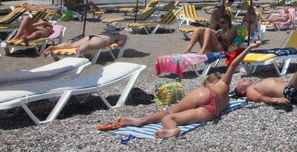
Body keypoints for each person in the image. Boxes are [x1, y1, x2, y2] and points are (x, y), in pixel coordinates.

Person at [110, 41, 262, 138]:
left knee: (169, 114)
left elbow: (234, 64)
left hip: (205, 97)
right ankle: (164, 128)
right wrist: (249, 47)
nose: (243, 81)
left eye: (244, 82)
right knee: (169, 116)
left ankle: (147, 122)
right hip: (211, 111)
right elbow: (235, 64)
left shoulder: (223, 85)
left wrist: (250, 47)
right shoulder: (226, 93)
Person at [43, 31, 127, 57]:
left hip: (93, 36)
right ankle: (79, 51)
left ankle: (54, 47)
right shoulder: (115, 35)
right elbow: (125, 37)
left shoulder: (105, 33)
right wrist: (116, 44)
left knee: (73, 44)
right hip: (101, 40)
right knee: (90, 45)